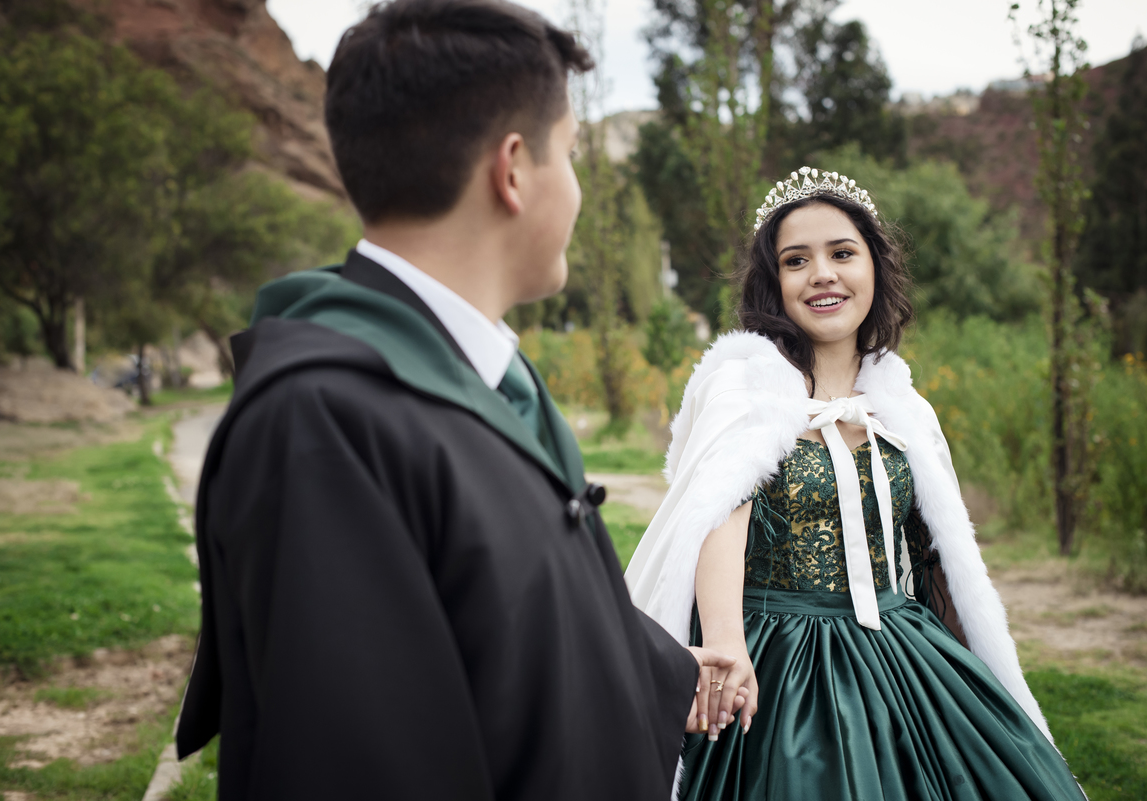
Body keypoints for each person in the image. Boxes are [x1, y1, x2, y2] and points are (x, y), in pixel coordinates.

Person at [174, 1, 744, 798]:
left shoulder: (491, 375)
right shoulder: (321, 424)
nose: (578, 191)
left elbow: (507, 593)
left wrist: (667, 668)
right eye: (572, 156)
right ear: (513, 169)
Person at [625, 168, 1089, 800]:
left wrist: (967, 669)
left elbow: (934, 550)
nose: (822, 273)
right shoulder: (745, 391)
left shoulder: (902, 409)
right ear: (775, 283)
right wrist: (728, 644)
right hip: (777, 653)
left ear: (875, 267)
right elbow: (719, 519)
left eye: (842, 253)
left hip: (899, 644)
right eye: (797, 261)